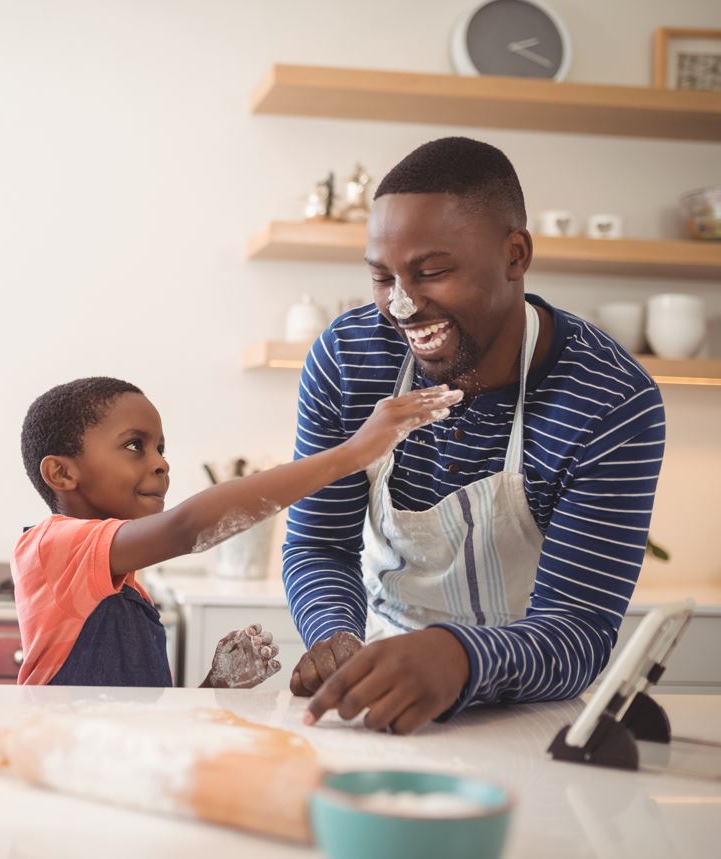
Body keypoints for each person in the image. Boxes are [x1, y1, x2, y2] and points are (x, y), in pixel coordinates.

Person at [282, 137, 667, 733]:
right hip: (377, 692)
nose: (403, 306)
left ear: (515, 254)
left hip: (531, 712)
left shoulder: (610, 400)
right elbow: (319, 545)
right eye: (383, 278)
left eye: (431, 272)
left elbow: (578, 627)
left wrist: (457, 657)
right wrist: (335, 636)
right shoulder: (348, 360)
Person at [13, 376, 460, 687]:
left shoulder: (126, 585)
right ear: (61, 473)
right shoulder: (51, 546)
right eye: (135, 445)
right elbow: (188, 528)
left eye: (161, 448)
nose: (161, 462)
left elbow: (144, 716)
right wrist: (354, 452)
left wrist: (214, 685)